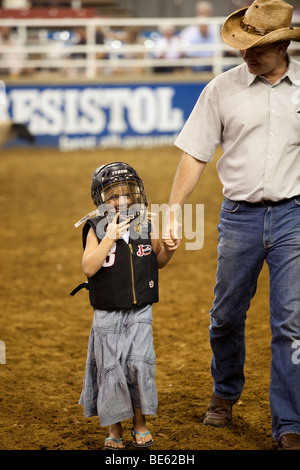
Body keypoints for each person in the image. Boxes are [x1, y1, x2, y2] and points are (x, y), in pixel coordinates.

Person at [164, 0, 300, 451]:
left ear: (281, 45)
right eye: (242, 45)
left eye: (256, 47)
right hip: (238, 216)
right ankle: (225, 391)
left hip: (293, 216)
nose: (245, 54)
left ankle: (289, 423)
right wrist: (174, 210)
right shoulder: (221, 89)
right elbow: (196, 152)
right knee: (225, 317)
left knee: (289, 324)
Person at [71, 162, 176, 449]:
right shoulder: (95, 228)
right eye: (113, 196)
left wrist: (168, 249)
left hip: (140, 312)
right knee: (111, 371)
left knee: (138, 367)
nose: (121, 201)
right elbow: (89, 267)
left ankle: (140, 424)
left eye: (126, 194)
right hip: (107, 315)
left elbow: (157, 262)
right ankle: (115, 430)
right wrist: (110, 238)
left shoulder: (145, 223)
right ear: (101, 200)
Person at [179, 1, 218, 72]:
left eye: (206, 13)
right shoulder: (188, 32)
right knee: (199, 67)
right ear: (197, 14)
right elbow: (187, 52)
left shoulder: (217, 28)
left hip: (214, 61)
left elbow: (221, 50)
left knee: (225, 66)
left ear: (210, 14)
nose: (203, 16)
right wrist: (203, 60)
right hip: (198, 63)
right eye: (201, 13)